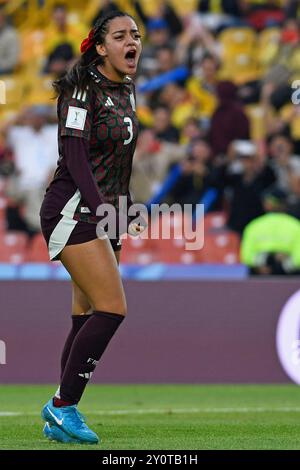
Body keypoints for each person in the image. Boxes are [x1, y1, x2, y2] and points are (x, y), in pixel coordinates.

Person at [39, 11, 145, 445]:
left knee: (84, 315)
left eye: (135, 34)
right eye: (120, 35)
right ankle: (63, 406)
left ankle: (60, 413)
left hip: (106, 212)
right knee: (113, 308)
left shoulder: (128, 91)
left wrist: (124, 209)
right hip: (73, 211)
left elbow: (120, 161)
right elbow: (76, 158)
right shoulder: (81, 90)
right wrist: (102, 210)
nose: (131, 41)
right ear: (100, 48)